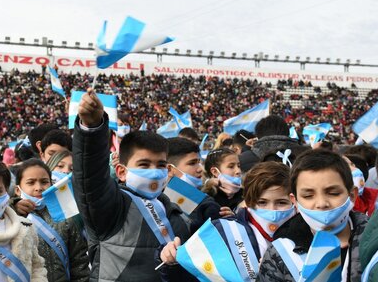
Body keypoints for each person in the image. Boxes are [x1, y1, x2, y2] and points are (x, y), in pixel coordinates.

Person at [72, 89, 191, 281]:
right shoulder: (111, 206)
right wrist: (92, 130)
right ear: (121, 171)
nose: (154, 171)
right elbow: (89, 175)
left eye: (160, 165)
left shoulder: (177, 212)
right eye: (144, 164)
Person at [160, 161, 295, 280]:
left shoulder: (308, 233)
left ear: (294, 201)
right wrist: (171, 261)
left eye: (281, 202)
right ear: (247, 202)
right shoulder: (223, 232)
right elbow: (193, 274)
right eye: (262, 202)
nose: (272, 210)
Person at [257, 149, 368, 282]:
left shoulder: (376, 240)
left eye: (333, 193)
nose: (321, 204)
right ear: (295, 202)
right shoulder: (280, 253)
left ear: (351, 195)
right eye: (308, 196)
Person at [13, 158, 90, 282]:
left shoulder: (64, 216)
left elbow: (78, 260)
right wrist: (13, 207)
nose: (39, 188)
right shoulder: (10, 217)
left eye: (44, 182)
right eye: (31, 182)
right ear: (18, 190)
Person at [167, 137, 230, 232]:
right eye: (192, 163)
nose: (200, 169)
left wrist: (231, 221)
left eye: (199, 162)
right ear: (170, 169)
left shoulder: (206, 201)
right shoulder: (156, 203)